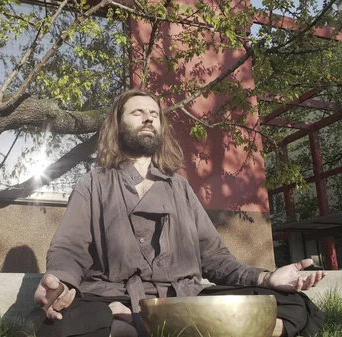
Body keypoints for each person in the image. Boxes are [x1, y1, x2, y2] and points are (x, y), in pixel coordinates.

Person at [32, 89, 326, 337]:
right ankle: (194, 327)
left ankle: (135, 324)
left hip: (183, 300)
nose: (149, 117)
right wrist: (62, 282)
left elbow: (215, 259)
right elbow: (69, 249)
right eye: (137, 113)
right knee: (58, 321)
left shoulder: (180, 187)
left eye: (154, 114)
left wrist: (267, 278)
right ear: (118, 125)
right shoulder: (94, 183)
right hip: (114, 295)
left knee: (293, 304)